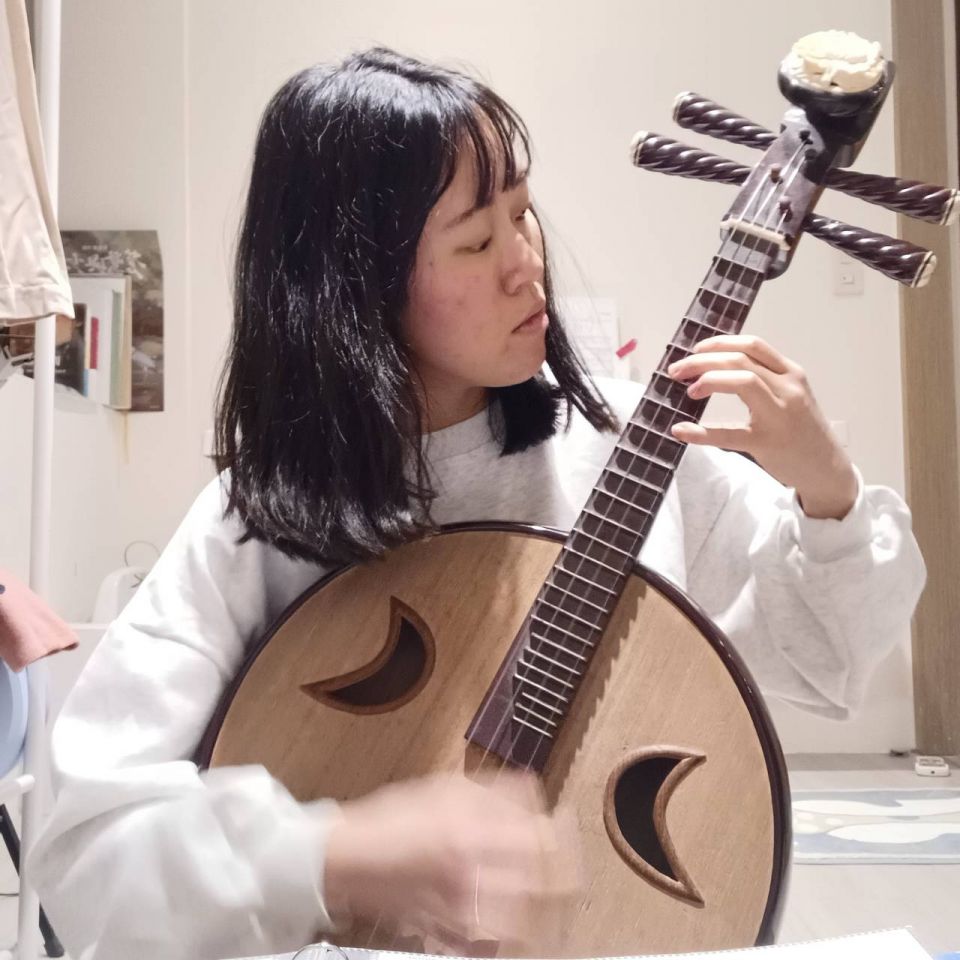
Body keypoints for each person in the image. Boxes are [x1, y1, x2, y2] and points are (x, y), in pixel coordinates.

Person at [28, 47, 925, 960]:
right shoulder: (259, 520)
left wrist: (827, 487)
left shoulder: (628, 443)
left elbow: (827, 661)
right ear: (354, 281)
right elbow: (86, 854)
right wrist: (338, 856)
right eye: (474, 241)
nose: (524, 264)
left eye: (523, 214)